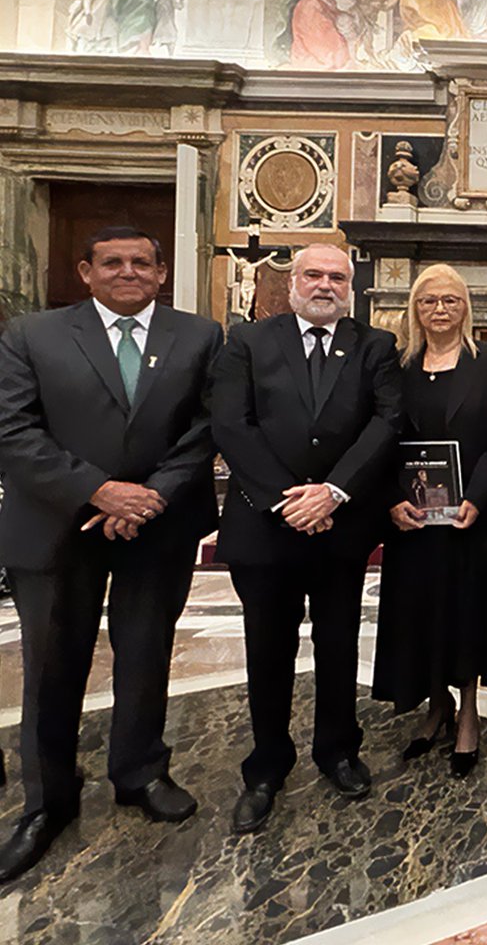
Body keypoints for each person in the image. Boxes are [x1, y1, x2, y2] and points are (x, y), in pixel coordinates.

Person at [0, 226, 222, 880]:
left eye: (141, 263)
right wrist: (98, 490)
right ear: (85, 272)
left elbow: (207, 425)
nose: (128, 272)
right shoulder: (31, 335)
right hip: (55, 524)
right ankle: (47, 801)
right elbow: (13, 428)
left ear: (161, 273)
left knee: (147, 652)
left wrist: (150, 497)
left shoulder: (199, 336)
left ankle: (140, 772)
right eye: (113, 262)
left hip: (157, 525)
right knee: (50, 665)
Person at [212, 244, 403, 833]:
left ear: (351, 285)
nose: (325, 285)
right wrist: (286, 500)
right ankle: (266, 767)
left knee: (339, 643)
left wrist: (334, 492)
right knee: (267, 649)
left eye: (336, 277)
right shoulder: (248, 341)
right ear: (292, 282)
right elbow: (231, 423)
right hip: (265, 526)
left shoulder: (375, 345)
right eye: (314, 275)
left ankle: (338, 750)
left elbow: (387, 421)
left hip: (341, 528)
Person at [372, 264, 487, 779]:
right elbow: (378, 436)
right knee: (422, 612)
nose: (440, 309)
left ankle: (469, 712)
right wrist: (391, 499)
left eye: (450, 300)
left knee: (467, 612)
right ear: (415, 308)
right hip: (413, 522)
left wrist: (478, 496)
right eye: (429, 300)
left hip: (468, 519)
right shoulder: (397, 364)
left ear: (465, 307)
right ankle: (436, 705)